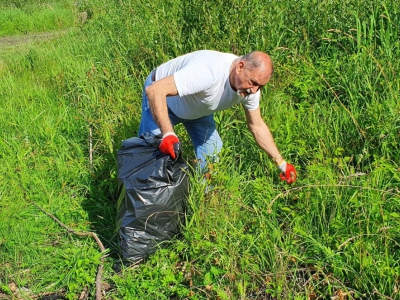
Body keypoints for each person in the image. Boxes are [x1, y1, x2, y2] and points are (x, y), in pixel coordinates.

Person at [138, 50, 297, 184]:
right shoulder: (209, 71)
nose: (254, 91)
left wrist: (281, 163)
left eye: (260, 86)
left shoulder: (250, 90)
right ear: (240, 67)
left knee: (212, 150)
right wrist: (168, 134)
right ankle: (140, 200)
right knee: (150, 156)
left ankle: (203, 196)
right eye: (253, 83)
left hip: (198, 107)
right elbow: (155, 90)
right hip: (164, 102)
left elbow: (256, 126)